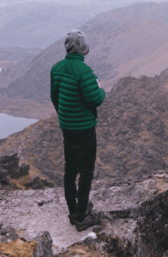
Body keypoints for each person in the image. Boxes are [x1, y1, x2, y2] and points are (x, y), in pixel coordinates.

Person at [50, 29, 106, 231]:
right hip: (84, 129)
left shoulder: (57, 68)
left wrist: (65, 117)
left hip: (67, 128)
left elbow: (55, 97)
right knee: (86, 172)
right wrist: (101, 89)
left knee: (70, 170)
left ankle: (73, 210)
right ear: (84, 48)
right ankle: (82, 216)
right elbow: (95, 99)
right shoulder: (85, 72)